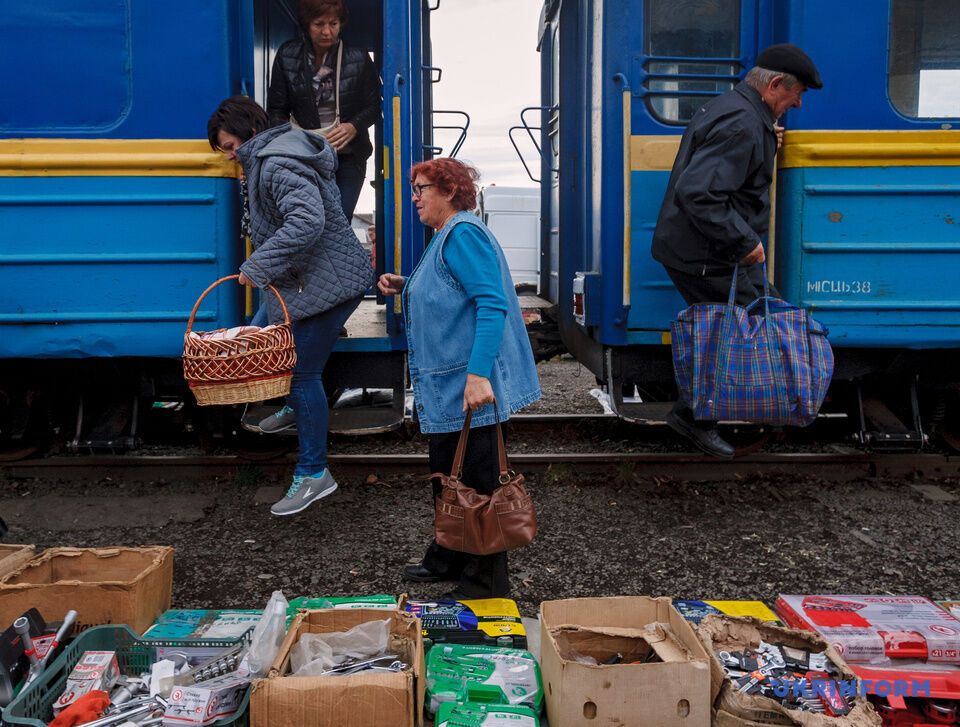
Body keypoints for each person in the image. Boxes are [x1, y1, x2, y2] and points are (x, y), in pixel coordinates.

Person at [377, 159, 541, 599]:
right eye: (414, 188)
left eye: (421, 188)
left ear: (449, 191)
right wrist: (405, 284)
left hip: (466, 384)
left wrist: (477, 377)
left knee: (478, 484)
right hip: (447, 386)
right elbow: (450, 288)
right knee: (448, 474)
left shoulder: (463, 233)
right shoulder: (447, 236)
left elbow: (490, 304)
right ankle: (448, 554)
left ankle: (484, 583)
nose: (415, 197)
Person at [652, 44, 823, 459]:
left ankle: (756, 409)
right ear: (776, 84)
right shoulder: (744, 123)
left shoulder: (738, 111)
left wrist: (769, 136)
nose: (798, 103)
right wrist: (745, 243)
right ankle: (694, 417)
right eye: (796, 93)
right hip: (708, 255)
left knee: (762, 315)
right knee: (740, 329)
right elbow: (700, 193)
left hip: (707, 249)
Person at [207, 96, 375, 516]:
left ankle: (315, 473)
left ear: (248, 133)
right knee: (263, 334)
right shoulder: (270, 156)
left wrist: (258, 265)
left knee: (301, 372)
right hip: (307, 280)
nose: (229, 157)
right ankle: (291, 406)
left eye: (229, 147)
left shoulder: (276, 161)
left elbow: (306, 221)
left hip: (329, 283)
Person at [267, 0, 380, 222]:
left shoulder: (358, 57)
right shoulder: (287, 55)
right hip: (305, 157)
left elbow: (375, 106)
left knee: (339, 220)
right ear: (306, 25)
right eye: (319, 24)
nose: (327, 31)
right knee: (310, 220)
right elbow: (276, 110)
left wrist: (353, 126)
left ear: (341, 24)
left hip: (349, 157)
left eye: (333, 24)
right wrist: (292, 143)